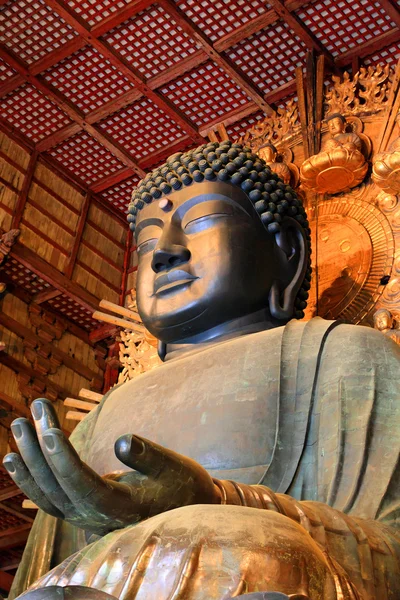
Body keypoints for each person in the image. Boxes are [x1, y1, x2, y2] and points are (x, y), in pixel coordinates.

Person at [4, 141, 400, 600]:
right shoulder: (97, 420)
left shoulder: (343, 355)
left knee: (260, 551)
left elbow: (390, 550)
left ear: (286, 249)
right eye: (148, 241)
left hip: (268, 583)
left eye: (201, 221)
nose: (163, 254)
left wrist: (219, 500)